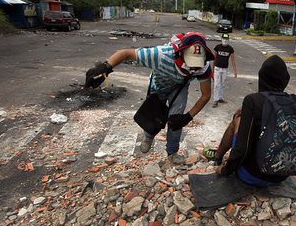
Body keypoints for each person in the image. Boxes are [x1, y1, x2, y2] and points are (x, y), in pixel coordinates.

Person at [84, 32, 215, 164]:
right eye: (191, 62)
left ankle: (172, 152)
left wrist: (187, 118)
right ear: (180, 53)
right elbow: (126, 53)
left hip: (179, 88)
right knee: (153, 116)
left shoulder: (203, 67)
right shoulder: (161, 55)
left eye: (196, 64)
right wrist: (105, 67)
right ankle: (148, 137)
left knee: (176, 119)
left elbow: (205, 95)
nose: (193, 68)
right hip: (158, 86)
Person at [210, 55, 296, 186]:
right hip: (282, 175)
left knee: (237, 120)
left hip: (253, 175)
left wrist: (225, 170)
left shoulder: (253, 100)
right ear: (285, 79)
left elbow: (242, 148)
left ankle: (217, 157)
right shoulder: (294, 101)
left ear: (261, 77)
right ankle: (218, 156)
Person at [212, 33, 237, 108]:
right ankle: (215, 100)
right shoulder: (217, 47)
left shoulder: (230, 49)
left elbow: (233, 60)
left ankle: (220, 98)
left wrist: (235, 71)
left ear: (228, 40)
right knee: (216, 84)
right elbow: (214, 57)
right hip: (217, 68)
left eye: (226, 39)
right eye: (224, 39)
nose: (225, 40)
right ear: (221, 39)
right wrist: (212, 68)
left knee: (222, 84)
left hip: (225, 69)